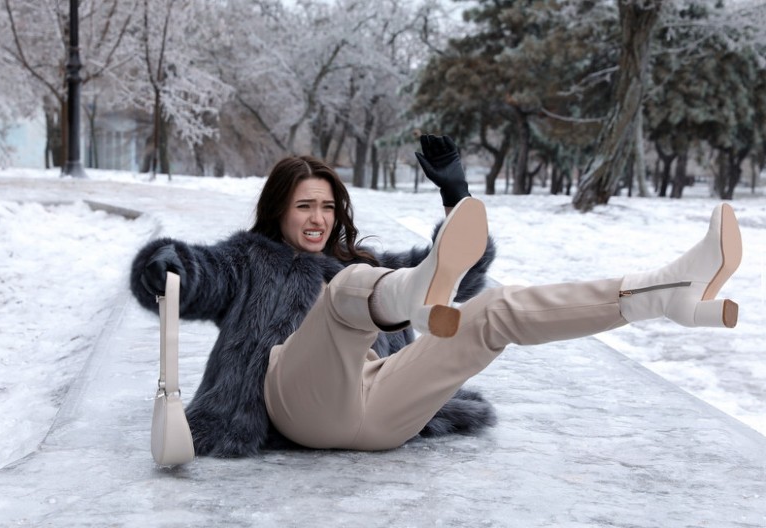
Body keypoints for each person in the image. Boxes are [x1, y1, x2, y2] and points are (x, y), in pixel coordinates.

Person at [130, 134, 743, 457]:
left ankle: (666, 293)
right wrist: (166, 262)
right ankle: (419, 294)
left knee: (493, 309)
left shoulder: (360, 261)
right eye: (304, 206)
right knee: (350, 291)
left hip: (384, 411)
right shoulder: (246, 260)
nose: (318, 219)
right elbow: (198, 272)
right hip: (294, 404)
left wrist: (456, 200)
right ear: (279, 209)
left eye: (327, 207)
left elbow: (468, 276)